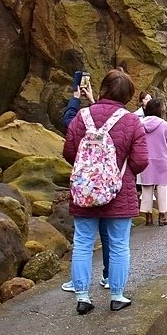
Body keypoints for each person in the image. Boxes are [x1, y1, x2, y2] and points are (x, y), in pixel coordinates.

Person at [63, 68, 149, 315]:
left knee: (82, 243)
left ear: (102, 89)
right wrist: (119, 173)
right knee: (119, 244)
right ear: (129, 95)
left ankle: (82, 296)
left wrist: (90, 173)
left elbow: (70, 152)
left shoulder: (82, 116)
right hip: (119, 192)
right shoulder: (132, 121)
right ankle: (117, 296)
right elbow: (141, 160)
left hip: (84, 190)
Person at [61, 81, 110, 292]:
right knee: (110, 237)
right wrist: (93, 100)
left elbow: (68, 122)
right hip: (108, 186)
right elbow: (107, 117)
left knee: (82, 241)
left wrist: (75, 98)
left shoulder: (79, 120)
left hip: (84, 184)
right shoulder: (121, 119)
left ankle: (79, 285)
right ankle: (109, 277)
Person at [138, 98, 167, 227]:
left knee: (147, 187)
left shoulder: (140, 123)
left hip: (146, 159)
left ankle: (148, 216)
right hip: (161, 159)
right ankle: (162, 216)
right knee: (162, 187)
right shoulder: (164, 124)